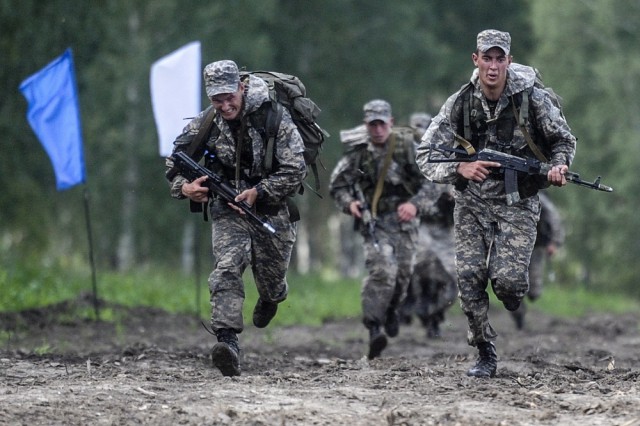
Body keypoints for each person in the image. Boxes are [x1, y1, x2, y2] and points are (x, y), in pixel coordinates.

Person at [416, 29, 577, 378]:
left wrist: (559, 166)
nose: (492, 66)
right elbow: (425, 154)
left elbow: (562, 139)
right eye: (486, 58)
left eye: (499, 58)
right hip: (471, 202)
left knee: (508, 283)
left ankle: (513, 296)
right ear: (475, 60)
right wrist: (460, 167)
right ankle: (485, 352)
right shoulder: (459, 102)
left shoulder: (530, 99)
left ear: (509, 61)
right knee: (470, 277)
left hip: (517, 199)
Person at [165, 60, 306, 377]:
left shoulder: (273, 118)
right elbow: (174, 163)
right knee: (228, 266)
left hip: (271, 208)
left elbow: (295, 168)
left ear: (241, 87)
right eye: (217, 99)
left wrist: (260, 191)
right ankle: (227, 341)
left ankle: (271, 297)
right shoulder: (207, 122)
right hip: (227, 209)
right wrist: (186, 188)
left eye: (230, 96)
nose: (225, 105)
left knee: (271, 282)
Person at [329, 100, 436, 360]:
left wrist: (414, 205)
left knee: (402, 276)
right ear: (366, 125)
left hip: (405, 222)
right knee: (381, 271)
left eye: (381, 123)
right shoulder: (358, 153)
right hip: (374, 222)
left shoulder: (408, 148)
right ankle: (374, 327)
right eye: (372, 124)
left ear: (390, 122)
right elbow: (337, 186)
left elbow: (433, 181)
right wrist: (350, 203)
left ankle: (391, 311)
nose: (377, 129)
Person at [399, 113, 458, 339]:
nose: (421, 132)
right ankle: (410, 307)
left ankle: (435, 314)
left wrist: (453, 194)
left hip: (445, 229)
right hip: (418, 226)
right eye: (417, 127)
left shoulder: (446, 156)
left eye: (425, 127)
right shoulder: (404, 160)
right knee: (414, 269)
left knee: (453, 279)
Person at [511, 191, 565, 329]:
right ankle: (519, 315)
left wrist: (554, 242)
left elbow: (554, 218)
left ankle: (526, 294)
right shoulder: (508, 194)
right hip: (513, 245)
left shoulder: (540, 198)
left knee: (534, 290)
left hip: (536, 245)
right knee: (511, 286)